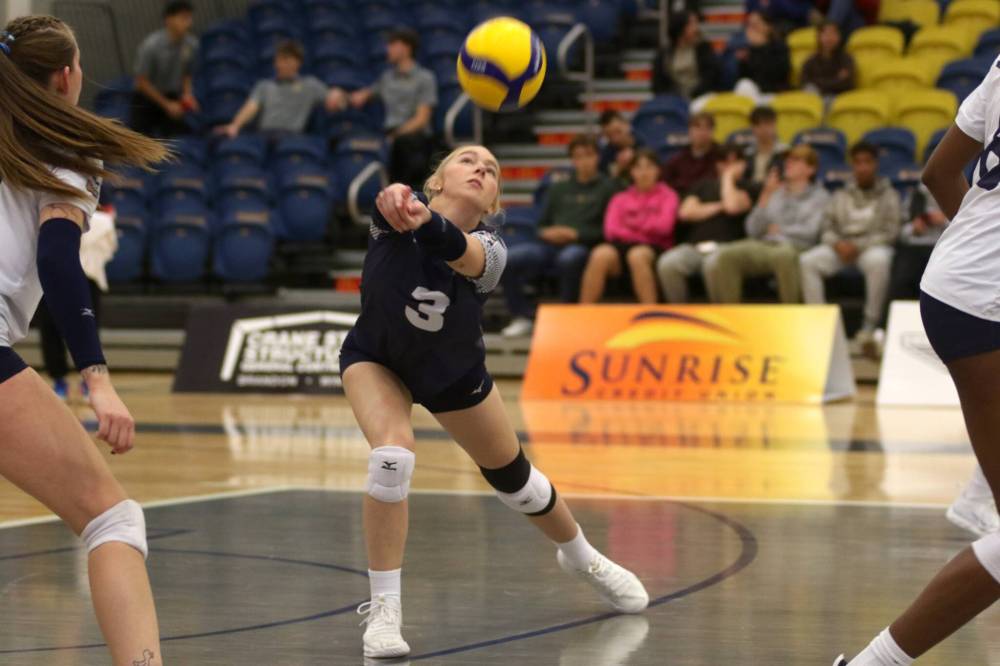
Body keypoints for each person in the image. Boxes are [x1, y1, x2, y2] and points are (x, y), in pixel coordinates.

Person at [339, 145, 649, 659]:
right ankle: (385, 610)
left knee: (517, 481)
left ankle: (581, 555)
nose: (481, 168)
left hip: (453, 374)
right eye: (467, 161)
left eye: (491, 170)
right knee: (391, 457)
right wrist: (395, 199)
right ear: (435, 181)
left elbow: (462, 253)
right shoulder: (392, 216)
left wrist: (422, 220)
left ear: (494, 202)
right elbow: (387, 204)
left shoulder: (491, 250)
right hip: (377, 360)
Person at [0, 15, 168, 665]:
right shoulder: (64, 145)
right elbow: (59, 261)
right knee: (112, 520)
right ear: (68, 76)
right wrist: (97, 377)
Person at [833, 52, 1000, 666]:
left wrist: (974, 248)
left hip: (958, 285)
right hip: (981, 307)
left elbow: (937, 173)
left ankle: (980, 489)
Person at [501, 135, 618, 338]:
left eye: (588, 156)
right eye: (578, 157)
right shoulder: (558, 188)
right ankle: (523, 315)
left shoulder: (608, 188)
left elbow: (609, 230)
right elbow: (541, 223)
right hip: (549, 244)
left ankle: (566, 315)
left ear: (597, 158)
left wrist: (577, 234)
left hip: (584, 245)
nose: (583, 161)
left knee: (569, 258)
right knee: (509, 258)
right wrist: (547, 232)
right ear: (572, 160)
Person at [799, 142, 899, 353]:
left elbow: (891, 232)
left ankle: (869, 327)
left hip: (871, 248)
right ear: (852, 166)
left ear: (876, 164)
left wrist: (859, 246)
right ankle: (819, 325)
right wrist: (837, 244)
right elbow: (826, 227)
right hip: (840, 248)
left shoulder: (890, 195)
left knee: (879, 261)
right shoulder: (840, 195)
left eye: (867, 162)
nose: (862, 167)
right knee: (807, 261)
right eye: (857, 163)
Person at [706, 144, 827, 303]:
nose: (788, 163)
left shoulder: (820, 197)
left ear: (811, 169)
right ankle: (731, 319)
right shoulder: (775, 193)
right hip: (765, 244)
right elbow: (752, 229)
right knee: (726, 255)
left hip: (797, 246)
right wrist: (765, 196)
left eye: (796, 160)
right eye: (788, 160)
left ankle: (791, 317)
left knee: (783, 256)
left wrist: (781, 231)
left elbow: (811, 232)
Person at [341, 27, 437, 190]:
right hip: (391, 134)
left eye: (393, 44)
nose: (388, 49)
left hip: (414, 137)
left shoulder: (425, 78)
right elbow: (364, 95)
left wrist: (396, 135)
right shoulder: (387, 78)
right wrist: (342, 96)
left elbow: (422, 119)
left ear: (406, 48)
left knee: (403, 145)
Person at [579, 149, 679, 304]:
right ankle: (583, 312)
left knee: (637, 255)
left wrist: (631, 224)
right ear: (631, 172)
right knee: (600, 254)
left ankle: (650, 312)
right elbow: (610, 231)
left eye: (649, 167)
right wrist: (643, 227)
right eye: (638, 167)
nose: (644, 172)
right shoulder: (620, 198)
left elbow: (664, 227)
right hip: (623, 245)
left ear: (658, 170)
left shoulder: (668, 195)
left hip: (654, 246)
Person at [657, 145, 753, 302]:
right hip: (695, 246)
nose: (729, 166)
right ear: (717, 164)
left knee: (713, 263)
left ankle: (721, 317)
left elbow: (732, 206)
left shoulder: (748, 187)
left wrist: (727, 177)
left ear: (743, 165)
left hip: (728, 247)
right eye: (725, 162)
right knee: (668, 263)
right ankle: (680, 314)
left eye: (735, 162)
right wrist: (719, 206)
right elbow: (686, 212)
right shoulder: (703, 185)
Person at [37, 210, 117, 400]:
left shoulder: (102, 222)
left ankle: (90, 382)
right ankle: (59, 380)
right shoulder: (43, 214)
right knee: (50, 332)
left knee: (87, 330)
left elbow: (108, 250)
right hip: (50, 279)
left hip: (88, 280)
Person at [216, 40, 342, 139]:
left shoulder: (310, 85)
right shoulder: (264, 85)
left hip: (292, 137)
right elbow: (250, 107)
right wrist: (235, 125)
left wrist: (338, 96)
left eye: (287, 60)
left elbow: (336, 100)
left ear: (298, 63)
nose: (282, 64)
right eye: (280, 59)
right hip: (265, 136)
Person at [131, 0, 198, 138]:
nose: (188, 23)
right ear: (169, 20)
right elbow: (141, 82)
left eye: (189, 18)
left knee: (179, 140)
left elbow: (187, 73)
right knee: (140, 140)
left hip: (174, 97)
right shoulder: (151, 46)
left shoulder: (192, 44)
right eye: (183, 18)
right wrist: (166, 105)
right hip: (148, 99)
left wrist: (187, 94)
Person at [651, 10, 722, 99]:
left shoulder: (703, 48)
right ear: (681, 27)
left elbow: (710, 77)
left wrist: (694, 94)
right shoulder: (664, 53)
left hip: (701, 96)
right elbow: (658, 83)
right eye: (692, 24)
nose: (696, 28)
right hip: (674, 99)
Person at [661, 111, 721, 196]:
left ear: (713, 131)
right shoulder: (678, 159)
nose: (702, 132)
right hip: (681, 201)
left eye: (708, 127)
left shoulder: (721, 156)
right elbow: (664, 184)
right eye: (697, 127)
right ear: (689, 130)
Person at [733, 11, 791, 98]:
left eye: (756, 25)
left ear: (768, 27)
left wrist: (761, 48)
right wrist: (743, 61)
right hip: (752, 94)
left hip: (774, 94)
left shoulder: (780, 47)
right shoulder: (747, 50)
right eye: (749, 25)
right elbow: (739, 78)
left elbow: (778, 75)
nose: (752, 29)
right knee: (743, 85)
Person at [801, 20, 856, 98]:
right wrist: (836, 79)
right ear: (819, 37)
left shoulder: (846, 59)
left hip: (839, 97)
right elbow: (804, 82)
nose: (829, 38)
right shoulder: (811, 61)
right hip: (815, 96)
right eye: (826, 34)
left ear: (839, 37)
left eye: (833, 33)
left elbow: (847, 83)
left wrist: (818, 81)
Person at [741, 106, 788, 198]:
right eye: (758, 124)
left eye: (767, 123)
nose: (763, 129)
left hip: (776, 195)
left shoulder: (786, 152)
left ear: (775, 124)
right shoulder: (746, 153)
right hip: (749, 195)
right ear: (752, 128)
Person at [598, 110, 641, 178]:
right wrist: (619, 168)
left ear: (626, 125)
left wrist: (636, 158)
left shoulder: (644, 143)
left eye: (618, 132)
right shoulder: (606, 155)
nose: (615, 139)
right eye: (609, 135)